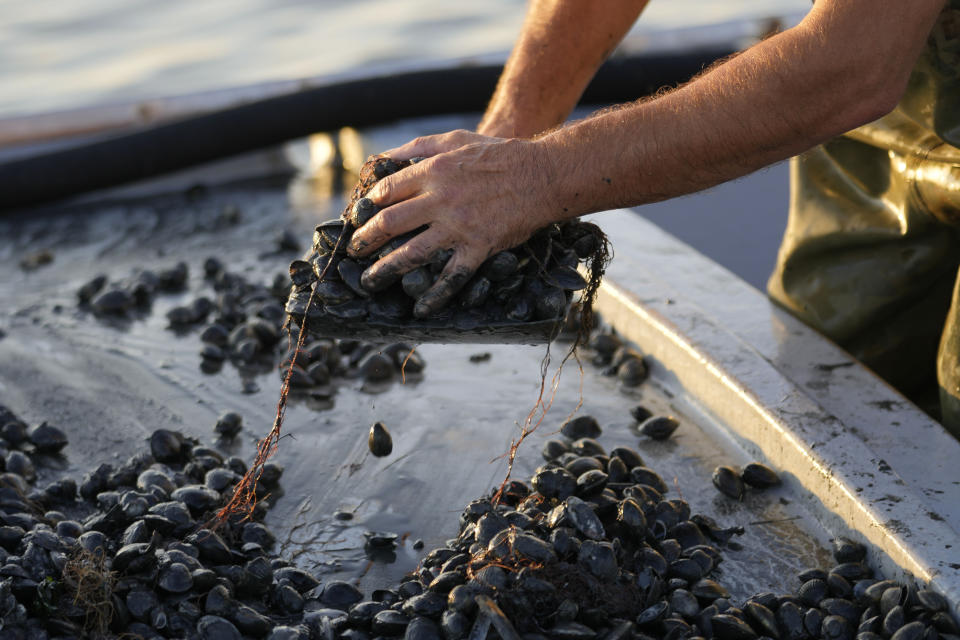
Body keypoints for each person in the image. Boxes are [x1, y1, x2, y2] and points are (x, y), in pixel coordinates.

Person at [345, 0, 960, 436]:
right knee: (826, 395)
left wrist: (536, 177)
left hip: (862, 68)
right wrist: (505, 139)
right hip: (894, 107)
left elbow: (850, 66)